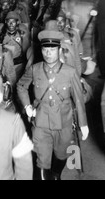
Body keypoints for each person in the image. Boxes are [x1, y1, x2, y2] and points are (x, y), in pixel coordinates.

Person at [17, 29, 89, 180]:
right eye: (45, 49)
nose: (48, 53)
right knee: (41, 160)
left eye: (52, 49)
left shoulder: (70, 72)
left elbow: (78, 99)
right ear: (41, 50)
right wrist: (27, 106)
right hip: (40, 123)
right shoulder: (34, 69)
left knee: (61, 155)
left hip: (64, 123)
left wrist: (83, 124)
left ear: (59, 50)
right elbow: (21, 86)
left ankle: (56, 174)